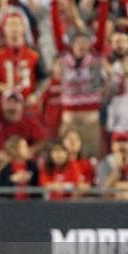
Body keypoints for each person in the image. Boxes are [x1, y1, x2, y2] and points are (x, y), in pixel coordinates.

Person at [51, 0, 109, 158]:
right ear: (72, 45)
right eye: (79, 43)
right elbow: (56, 30)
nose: (82, 46)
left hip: (90, 120)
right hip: (70, 120)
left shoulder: (95, 56)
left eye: (86, 43)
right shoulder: (64, 56)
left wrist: (104, 4)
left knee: (91, 160)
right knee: (67, 159)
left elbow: (101, 31)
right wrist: (54, 5)